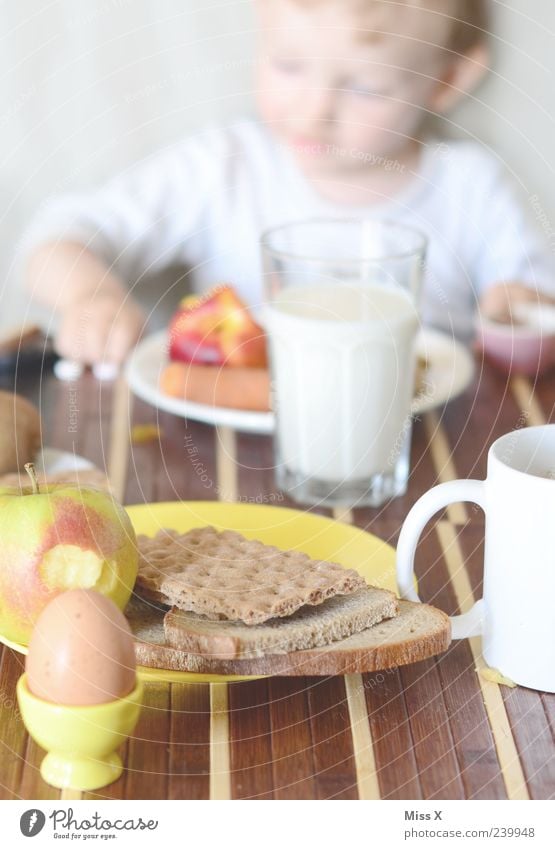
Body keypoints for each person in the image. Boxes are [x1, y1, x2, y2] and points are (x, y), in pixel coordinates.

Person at [23, 0, 555, 367]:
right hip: (234, 439)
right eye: (288, 66)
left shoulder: (470, 186)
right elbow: (62, 234)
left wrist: (520, 306)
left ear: (447, 81)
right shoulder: (225, 165)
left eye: (365, 88)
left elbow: (538, 301)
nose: (313, 111)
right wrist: (91, 295)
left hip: (425, 443)